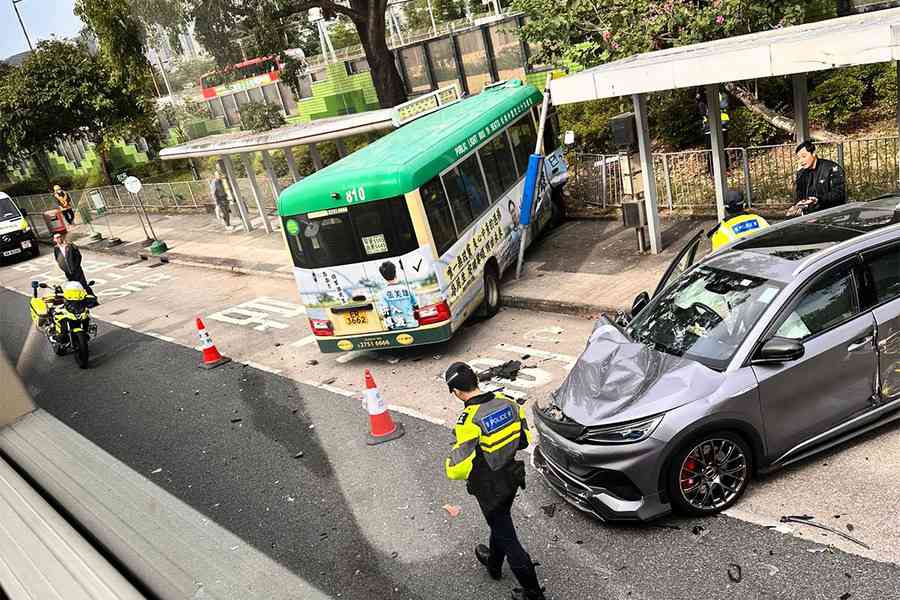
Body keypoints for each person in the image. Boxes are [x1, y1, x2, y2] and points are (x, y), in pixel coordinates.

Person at [444, 362, 545, 600]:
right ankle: (494, 563)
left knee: (508, 537)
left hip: (489, 487)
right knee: (500, 523)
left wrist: (449, 462)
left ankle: (533, 593)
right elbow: (523, 440)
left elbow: (457, 469)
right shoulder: (508, 402)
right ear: (475, 380)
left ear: (456, 392)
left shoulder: (468, 421)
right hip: (511, 476)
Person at [789, 140, 846, 216]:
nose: (801, 161)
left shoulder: (832, 168)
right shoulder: (801, 173)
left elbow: (839, 194)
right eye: (799, 158)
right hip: (810, 216)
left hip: (831, 214)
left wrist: (818, 199)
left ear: (813, 153)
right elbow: (799, 196)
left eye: (804, 156)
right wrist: (796, 206)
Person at [53, 231, 96, 301]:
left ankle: (93, 299)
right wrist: (64, 268)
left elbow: (78, 256)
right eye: (57, 238)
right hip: (68, 272)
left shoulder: (70, 245)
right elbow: (57, 259)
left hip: (77, 270)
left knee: (84, 285)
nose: (59, 239)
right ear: (54, 240)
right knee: (74, 287)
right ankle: (80, 301)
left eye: (60, 237)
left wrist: (76, 266)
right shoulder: (56, 249)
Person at [378, 261, 418, 330]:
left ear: (383, 277)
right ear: (395, 273)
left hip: (397, 329)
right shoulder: (407, 288)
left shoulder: (382, 293)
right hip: (413, 325)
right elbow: (416, 306)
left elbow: (386, 314)